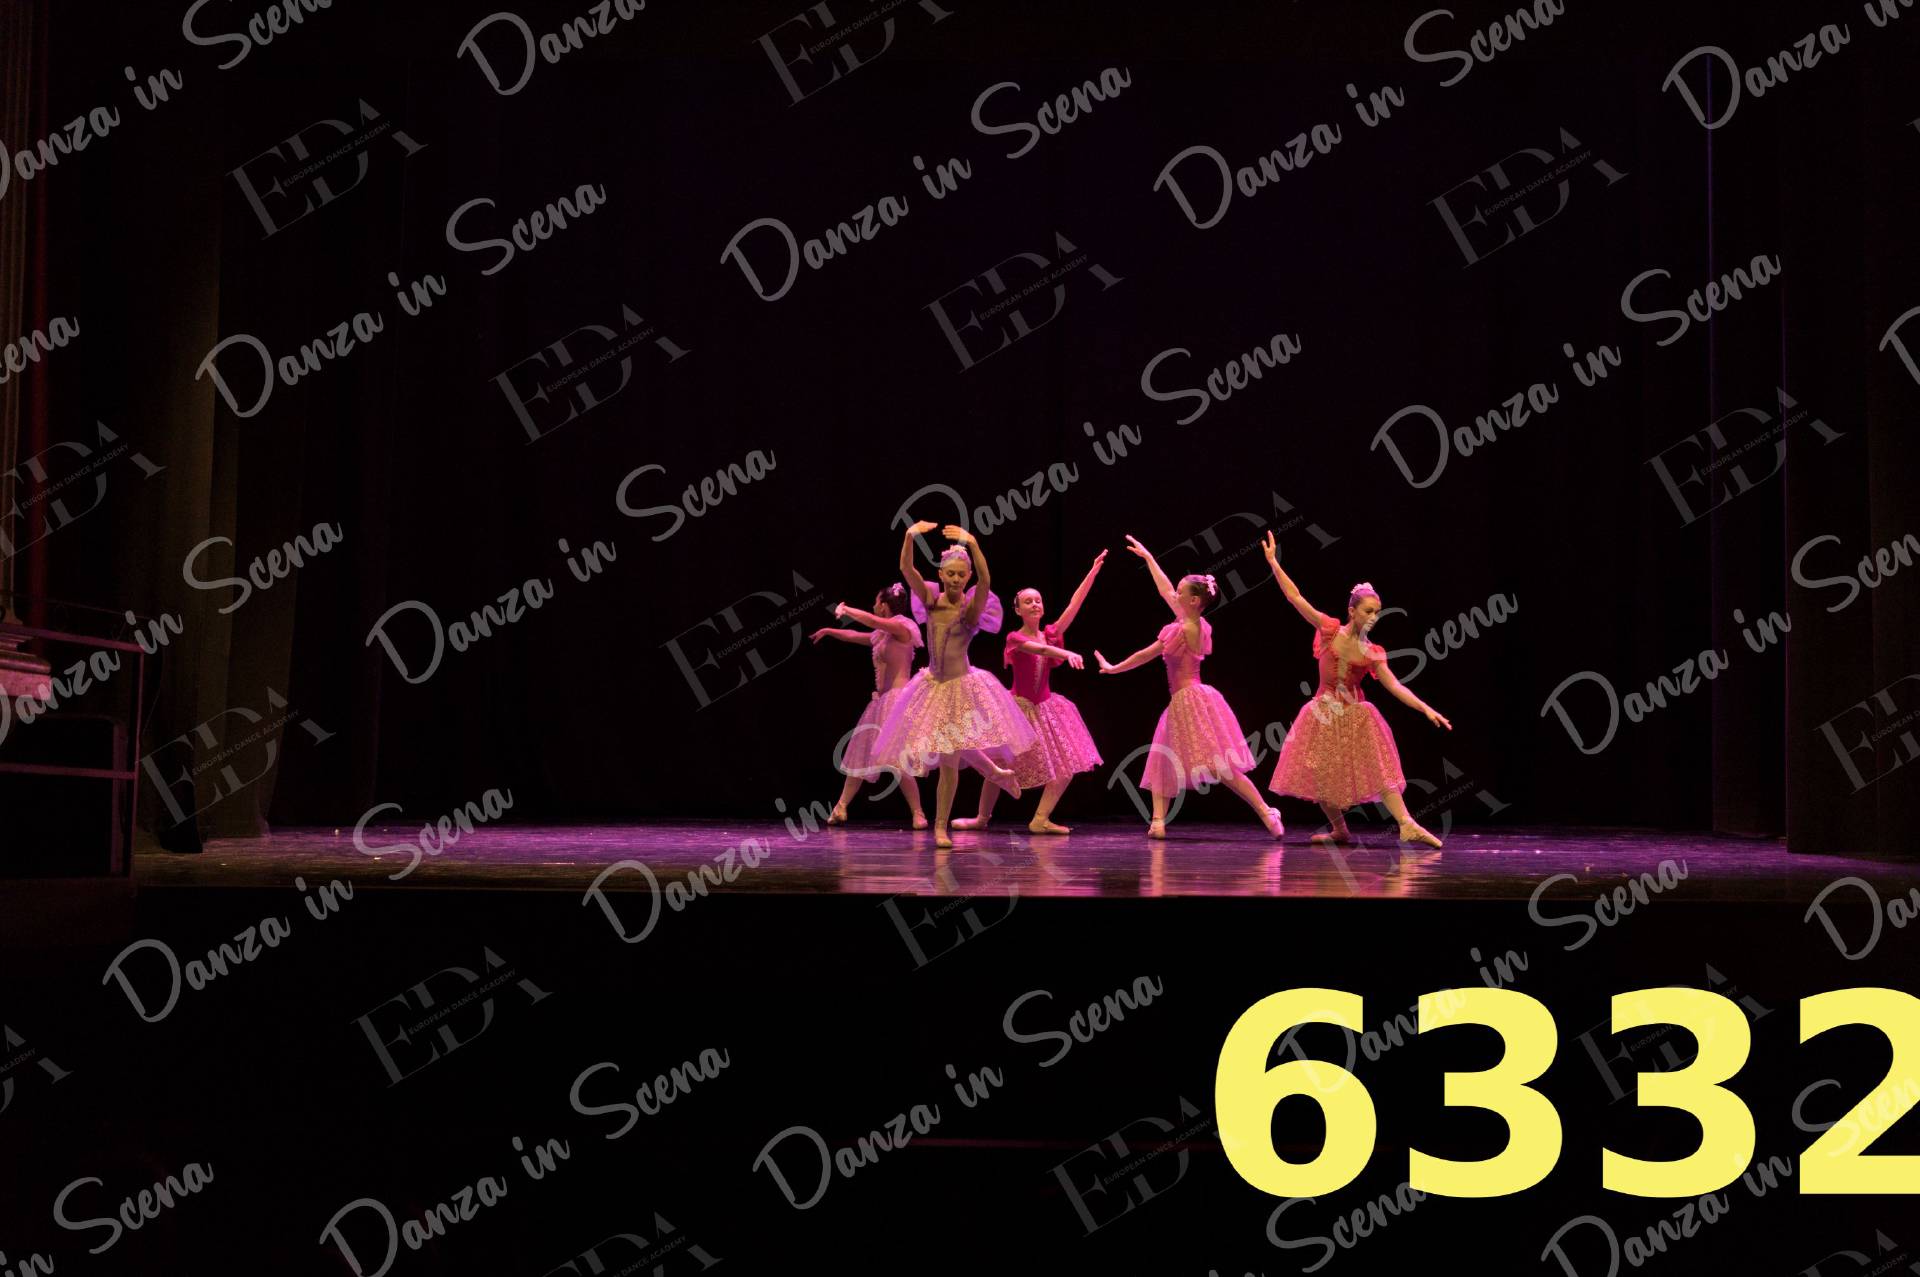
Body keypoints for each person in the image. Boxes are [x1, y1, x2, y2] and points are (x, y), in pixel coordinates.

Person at [1260, 530, 1451, 847]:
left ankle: (1406, 823)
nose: (1374, 617)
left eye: (1377, 612)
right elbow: (1296, 597)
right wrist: (1273, 563)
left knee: (1379, 767)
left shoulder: (1372, 652)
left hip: (1355, 716)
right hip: (1322, 714)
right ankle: (1340, 830)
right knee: (1320, 775)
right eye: (1368, 611)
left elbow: (1394, 685)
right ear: (1352, 611)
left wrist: (1425, 708)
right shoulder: (1329, 630)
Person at [1095, 534, 1283, 840]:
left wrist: (1115, 667)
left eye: (1180, 592)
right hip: (1185, 701)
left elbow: (1145, 654)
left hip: (1192, 700)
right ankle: (1158, 821)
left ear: (1194, 601)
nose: (1174, 593)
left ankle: (1266, 811)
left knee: (1220, 766)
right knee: (1163, 760)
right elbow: (1165, 589)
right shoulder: (1194, 621)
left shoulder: (1184, 628)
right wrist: (1149, 558)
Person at [870, 523, 1037, 848]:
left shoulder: (970, 610)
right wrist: (909, 536)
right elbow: (907, 569)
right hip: (932, 685)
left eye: (962, 574)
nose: (956, 579)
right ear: (942, 574)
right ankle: (995, 773)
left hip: (961, 688)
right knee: (954, 747)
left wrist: (973, 544)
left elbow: (986, 582)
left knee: (949, 760)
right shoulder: (931, 601)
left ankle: (940, 827)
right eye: (951, 574)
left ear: (968, 575)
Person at [809, 583, 927, 828]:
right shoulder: (882, 635)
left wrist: (846, 609)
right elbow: (856, 635)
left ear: (883, 605)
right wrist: (830, 631)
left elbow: (872, 621)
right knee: (861, 754)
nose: (874, 605)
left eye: (876, 601)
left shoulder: (902, 627)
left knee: (898, 759)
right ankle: (841, 807)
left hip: (898, 701)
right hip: (881, 702)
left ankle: (918, 813)